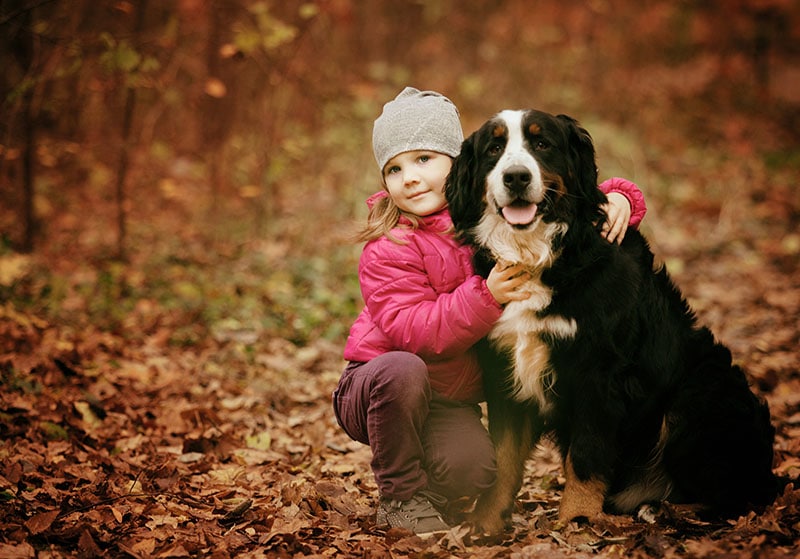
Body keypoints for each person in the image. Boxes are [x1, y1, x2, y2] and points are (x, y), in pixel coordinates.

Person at [332, 87, 647, 535]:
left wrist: (620, 197)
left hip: (445, 399)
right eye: (395, 169)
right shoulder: (394, 246)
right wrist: (488, 296)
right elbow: (414, 330)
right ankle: (400, 495)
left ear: (456, 166)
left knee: (475, 470)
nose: (411, 178)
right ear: (478, 169)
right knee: (402, 372)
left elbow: (573, 189)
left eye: (425, 160)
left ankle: (434, 489)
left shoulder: (480, 228)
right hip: (380, 382)